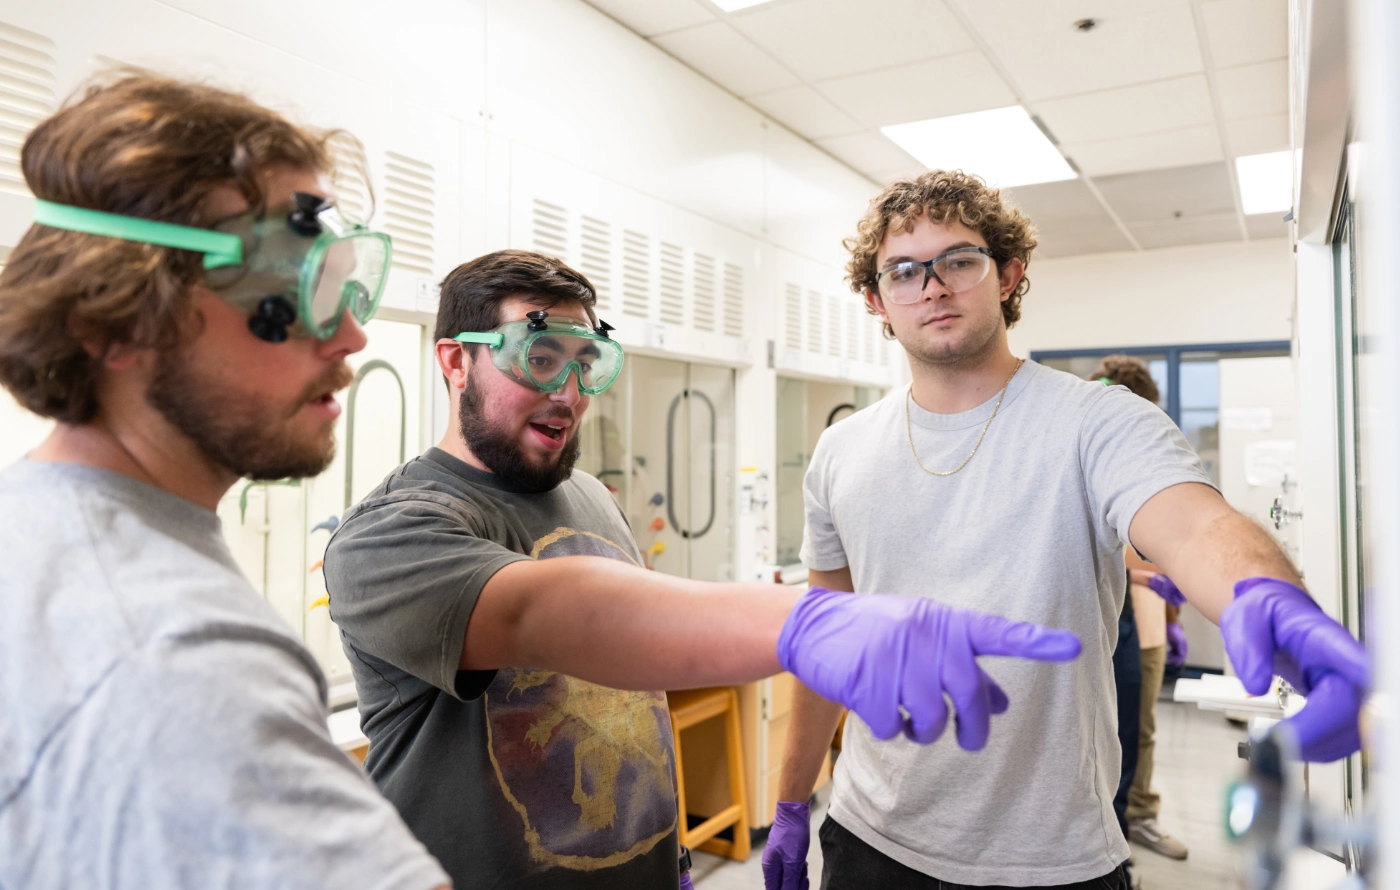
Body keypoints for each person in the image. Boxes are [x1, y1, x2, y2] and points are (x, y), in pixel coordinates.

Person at [319, 249, 1084, 890]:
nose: (569, 390)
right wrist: (810, 620)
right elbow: (548, 611)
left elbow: (631, 680)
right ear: (456, 361)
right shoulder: (394, 532)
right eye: (539, 356)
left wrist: (669, 850)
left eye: (589, 362)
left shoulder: (587, 495)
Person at [762, 170, 1371, 890]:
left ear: (1009, 274)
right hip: (870, 835)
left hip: (1051, 856)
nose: (933, 285)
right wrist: (792, 800)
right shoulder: (842, 451)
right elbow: (824, 636)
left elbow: (1193, 524)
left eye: (959, 260)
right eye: (904, 270)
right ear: (876, 300)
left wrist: (1266, 594)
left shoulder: (1097, 421)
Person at [0, 74, 451, 889]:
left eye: (342, 281)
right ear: (112, 320)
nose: (352, 334)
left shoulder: (30, 528)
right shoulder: (177, 657)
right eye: (288, 287)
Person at [1095, 354, 1189, 861]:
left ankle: (1137, 819)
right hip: (1104, 624)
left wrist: (1171, 618)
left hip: (1145, 624)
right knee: (1103, 730)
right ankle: (1111, 832)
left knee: (1138, 729)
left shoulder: (1147, 458)